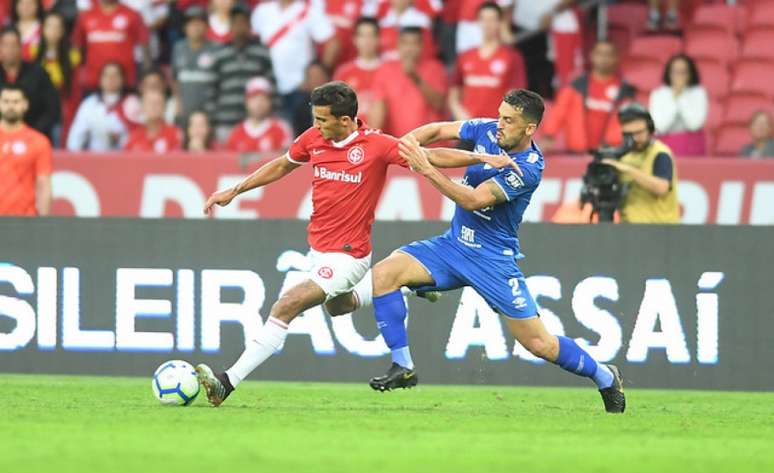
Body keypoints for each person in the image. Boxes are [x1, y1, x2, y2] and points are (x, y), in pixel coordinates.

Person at [193, 81, 517, 406]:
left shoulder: (377, 145)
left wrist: (484, 158)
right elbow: (281, 165)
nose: (316, 126)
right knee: (339, 306)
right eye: (315, 119)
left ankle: (226, 382)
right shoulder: (313, 140)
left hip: (349, 255)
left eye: (322, 120)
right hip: (319, 250)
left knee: (287, 304)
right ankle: (407, 285)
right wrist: (234, 190)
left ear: (345, 120)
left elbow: (430, 156)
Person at [328, 89, 626, 413]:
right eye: (500, 115)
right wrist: (405, 145)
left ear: (529, 129)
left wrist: (426, 168)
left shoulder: (528, 167)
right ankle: (403, 366)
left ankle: (604, 376)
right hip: (453, 245)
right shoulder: (485, 129)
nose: (499, 124)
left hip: (492, 260)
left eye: (508, 120)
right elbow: (439, 131)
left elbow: (473, 200)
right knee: (385, 274)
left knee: (539, 344)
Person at [541, 40, 635, 153]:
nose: (604, 58)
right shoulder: (576, 86)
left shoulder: (625, 91)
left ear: (616, 58)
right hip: (578, 154)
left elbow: (631, 122)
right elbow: (558, 113)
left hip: (610, 155)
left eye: (609, 54)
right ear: (592, 56)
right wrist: (548, 135)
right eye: (600, 54)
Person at [251, 0, 339, 121]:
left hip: (299, 87)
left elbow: (333, 43)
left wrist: (317, 77)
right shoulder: (262, 11)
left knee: (301, 134)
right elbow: (252, 44)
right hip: (269, 89)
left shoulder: (308, 10)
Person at [600, 103, 680, 224]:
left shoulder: (660, 153)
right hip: (629, 228)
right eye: (629, 135)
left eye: (639, 133)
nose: (635, 139)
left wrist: (629, 170)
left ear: (650, 129)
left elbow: (662, 188)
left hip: (660, 227)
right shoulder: (622, 157)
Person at [449, 2, 525, 121]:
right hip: (468, 129)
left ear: (500, 23)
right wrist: (461, 115)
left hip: (497, 129)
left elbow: (516, 95)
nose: (487, 24)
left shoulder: (512, 57)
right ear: (478, 22)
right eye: (483, 19)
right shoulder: (465, 56)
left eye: (492, 19)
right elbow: (454, 93)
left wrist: (502, 120)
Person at [209, 3, 274, 141]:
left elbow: (271, 87)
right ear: (230, 26)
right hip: (225, 122)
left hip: (255, 124)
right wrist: (212, 119)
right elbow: (212, 89)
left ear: (250, 26)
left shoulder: (261, 53)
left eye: (243, 22)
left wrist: (273, 116)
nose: (240, 27)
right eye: (236, 23)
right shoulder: (220, 54)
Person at [369, 26, 447, 138]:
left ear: (421, 46)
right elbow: (378, 106)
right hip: (398, 144)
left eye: (414, 43)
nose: (409, 48)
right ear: (398, 45)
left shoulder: (435, 68)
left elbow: (439, 103)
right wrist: (373, 137)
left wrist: (415, 78)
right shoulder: (386, 69)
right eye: (405, 43)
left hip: (431, 145)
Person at [72, 0, 150, 91]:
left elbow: (145, 46)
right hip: (93, 82)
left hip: (125, 83)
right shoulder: (85, 16)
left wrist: (147, 76)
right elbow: (77, 47)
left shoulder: (132, 15)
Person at [0, 27, 60, 141]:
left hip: (35, 136)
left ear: (20, 47)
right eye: (5, 45)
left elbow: (52, 109)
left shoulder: (38, 73)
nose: (10, 49)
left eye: (14, 45)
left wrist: (30, 134)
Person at [0, 85, 52, 216]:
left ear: (25, 105)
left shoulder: (38, 141)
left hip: (25, 219)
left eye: (16, 102)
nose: (10, 106)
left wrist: (43, 223)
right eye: (6, 101)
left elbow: (43, 183)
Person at [36, 11, 81, 146]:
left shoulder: (73, 57)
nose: (53, 31)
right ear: (42, 29)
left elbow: (74, 89)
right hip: (39, 111)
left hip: (61, 113)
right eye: (49, 26)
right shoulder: (32, 53)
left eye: (57, 27)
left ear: (63, 31)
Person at [649, 54, 707, 157]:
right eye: (675, 72)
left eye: (683, 72)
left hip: (692, 147)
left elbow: (694, 125)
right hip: (665, 146)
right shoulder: (658, 94)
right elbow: (659, 128)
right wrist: (675, 99)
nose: (679, 76)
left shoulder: (699, 93)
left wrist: (680, 96)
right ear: (669, 73)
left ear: (690, 73)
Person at [67, 62, 132, 151]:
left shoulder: (131, 103)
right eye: (107, 75)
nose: (111, 79)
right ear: (100, 80)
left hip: (125, 158)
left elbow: (139, 135)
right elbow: (75, 138)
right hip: (94, 159)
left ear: (122, 79)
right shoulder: (89, 104)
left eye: (115, 75)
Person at [171, 5, 217, 126]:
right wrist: (178, 106)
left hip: (210, 114)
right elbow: (175, 80)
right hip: (185, 113)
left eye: (199, 22)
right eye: (191, 23)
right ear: (185, 27)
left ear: (207, 26)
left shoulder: (216, 49)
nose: (195, 26)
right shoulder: (178, 48)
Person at [332, 17, 381, 124]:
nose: (367, 41)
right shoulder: (343, 73)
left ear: (378, 39)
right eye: (362, 36)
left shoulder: (388, 71)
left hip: (385, 136)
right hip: (353, 135)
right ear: (355, 39)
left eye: (371, 35)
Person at [225, 76, 293, 153]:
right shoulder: (236, 133)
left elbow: (286, 159)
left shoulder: (281, 129)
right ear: (246, 101)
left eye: (263, 99)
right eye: (254, 98)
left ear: (270, 102)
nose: (258, 103)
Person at [291, 60, 331, 135]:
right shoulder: (301, 109)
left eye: (319, 76)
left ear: (327, 78)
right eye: (312, 77)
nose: (316, 80)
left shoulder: (342, 102)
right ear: (306, 82)